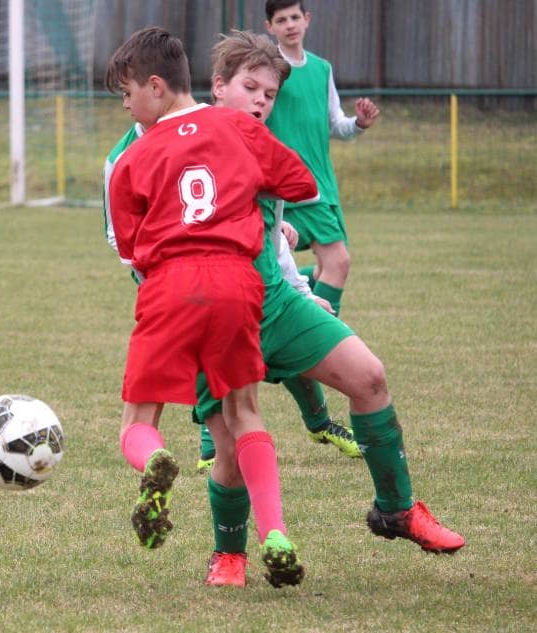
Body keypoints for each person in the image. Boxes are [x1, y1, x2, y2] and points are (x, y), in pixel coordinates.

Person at [195, 30, 464, 587]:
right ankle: (231, 556)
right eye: (250, 87)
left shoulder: (269, 149)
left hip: (276, 303)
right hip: (213, 315)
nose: (261, 100)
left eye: (269, 93)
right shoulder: (186, 141)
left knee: (369, 377)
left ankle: (396, 509)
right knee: (229, 447)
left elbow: (271, 235)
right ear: (218, 87)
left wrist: (297, 281)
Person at [105, 26, 318, 588]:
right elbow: (303, 185)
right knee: (244, 412)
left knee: (138, 420)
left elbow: (129, 249)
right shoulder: (238, 128)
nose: (126, 106)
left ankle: (153, 462)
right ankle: (274, 532)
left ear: (155, 87)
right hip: (237, 282)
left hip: (170, 283)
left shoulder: (135, 154)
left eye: (127, 94)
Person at [262, 0, 380, 447]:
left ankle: (309, 335)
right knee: (317, 268)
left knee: (331, 266)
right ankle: (313, 341)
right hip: (282, 190)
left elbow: (335, 124)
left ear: (307, 20)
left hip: (320, 190)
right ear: (269, 27)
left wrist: (359, 124)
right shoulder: (270, 72)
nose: (291, 25)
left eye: (296, 17)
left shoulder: (323, 68)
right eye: (282, 19)